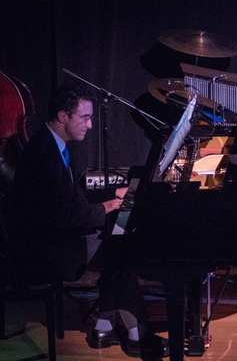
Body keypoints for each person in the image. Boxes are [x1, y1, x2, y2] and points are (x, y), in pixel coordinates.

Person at [10, 84, 168, 358]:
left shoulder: (50, 143)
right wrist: (107, 206)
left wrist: (112, 193)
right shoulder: (44, 156)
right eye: (85, 118)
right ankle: (136, 335)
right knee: (121, 253)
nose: (91, 125)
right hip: (45, 249)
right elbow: (64, 215)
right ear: (63, 116)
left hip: (51, 235)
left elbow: (68, 196)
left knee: (117, 245)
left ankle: (105, 328)